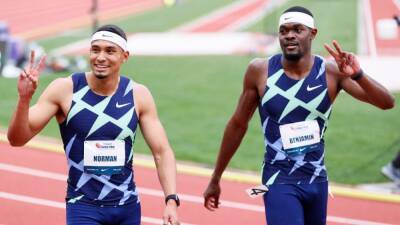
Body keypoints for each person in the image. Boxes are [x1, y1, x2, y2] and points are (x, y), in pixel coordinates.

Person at [203, 6, 395, 225]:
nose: (289, 35)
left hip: (317, 180)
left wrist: (358, 74)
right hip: (278, 181)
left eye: (297, 29)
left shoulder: (331, 72)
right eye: (283, 31)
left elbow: (386, 103)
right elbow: (238, 124)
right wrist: (216, 177)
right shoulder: (260, 71)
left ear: (312, 33)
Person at [7, 24, 180, 225]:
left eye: (110, 51)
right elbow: (17, 139)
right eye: (95, 49)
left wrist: (171, 200)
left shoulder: (138, 95)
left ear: (125, 56)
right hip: (83, 206)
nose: (100, 57)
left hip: (127, 207)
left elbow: (162, 152)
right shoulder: (65, 89)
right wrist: (24, 99)